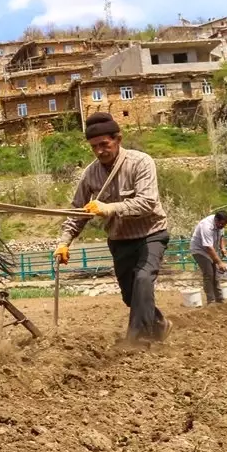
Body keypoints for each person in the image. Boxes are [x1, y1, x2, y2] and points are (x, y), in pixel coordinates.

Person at [53, 112, 172, 345]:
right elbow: (77, 211)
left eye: (104, 144)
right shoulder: (90, 174)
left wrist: (108, 208)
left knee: (143, 280)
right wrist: (64, 242)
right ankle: (159, 324)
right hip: (119, 239)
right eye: (94, 147)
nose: (99, 151)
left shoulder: (141, 162)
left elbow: (148, 203)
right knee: (131, 296)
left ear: (118, 139)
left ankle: (136, 340)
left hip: (150, 234)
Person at [190, 209, 227, 305]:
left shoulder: (221, 224)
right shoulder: (206, 226)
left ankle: (219, 299)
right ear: (216, 220)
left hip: (212, 250)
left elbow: (221, 237)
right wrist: (220, 262)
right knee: (209, 274)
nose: (222, 226)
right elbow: (208, 247)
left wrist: (223, 248)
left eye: (224, 225)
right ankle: (211, 301)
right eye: (221, 224)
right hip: (200, 250)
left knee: (216, 275)